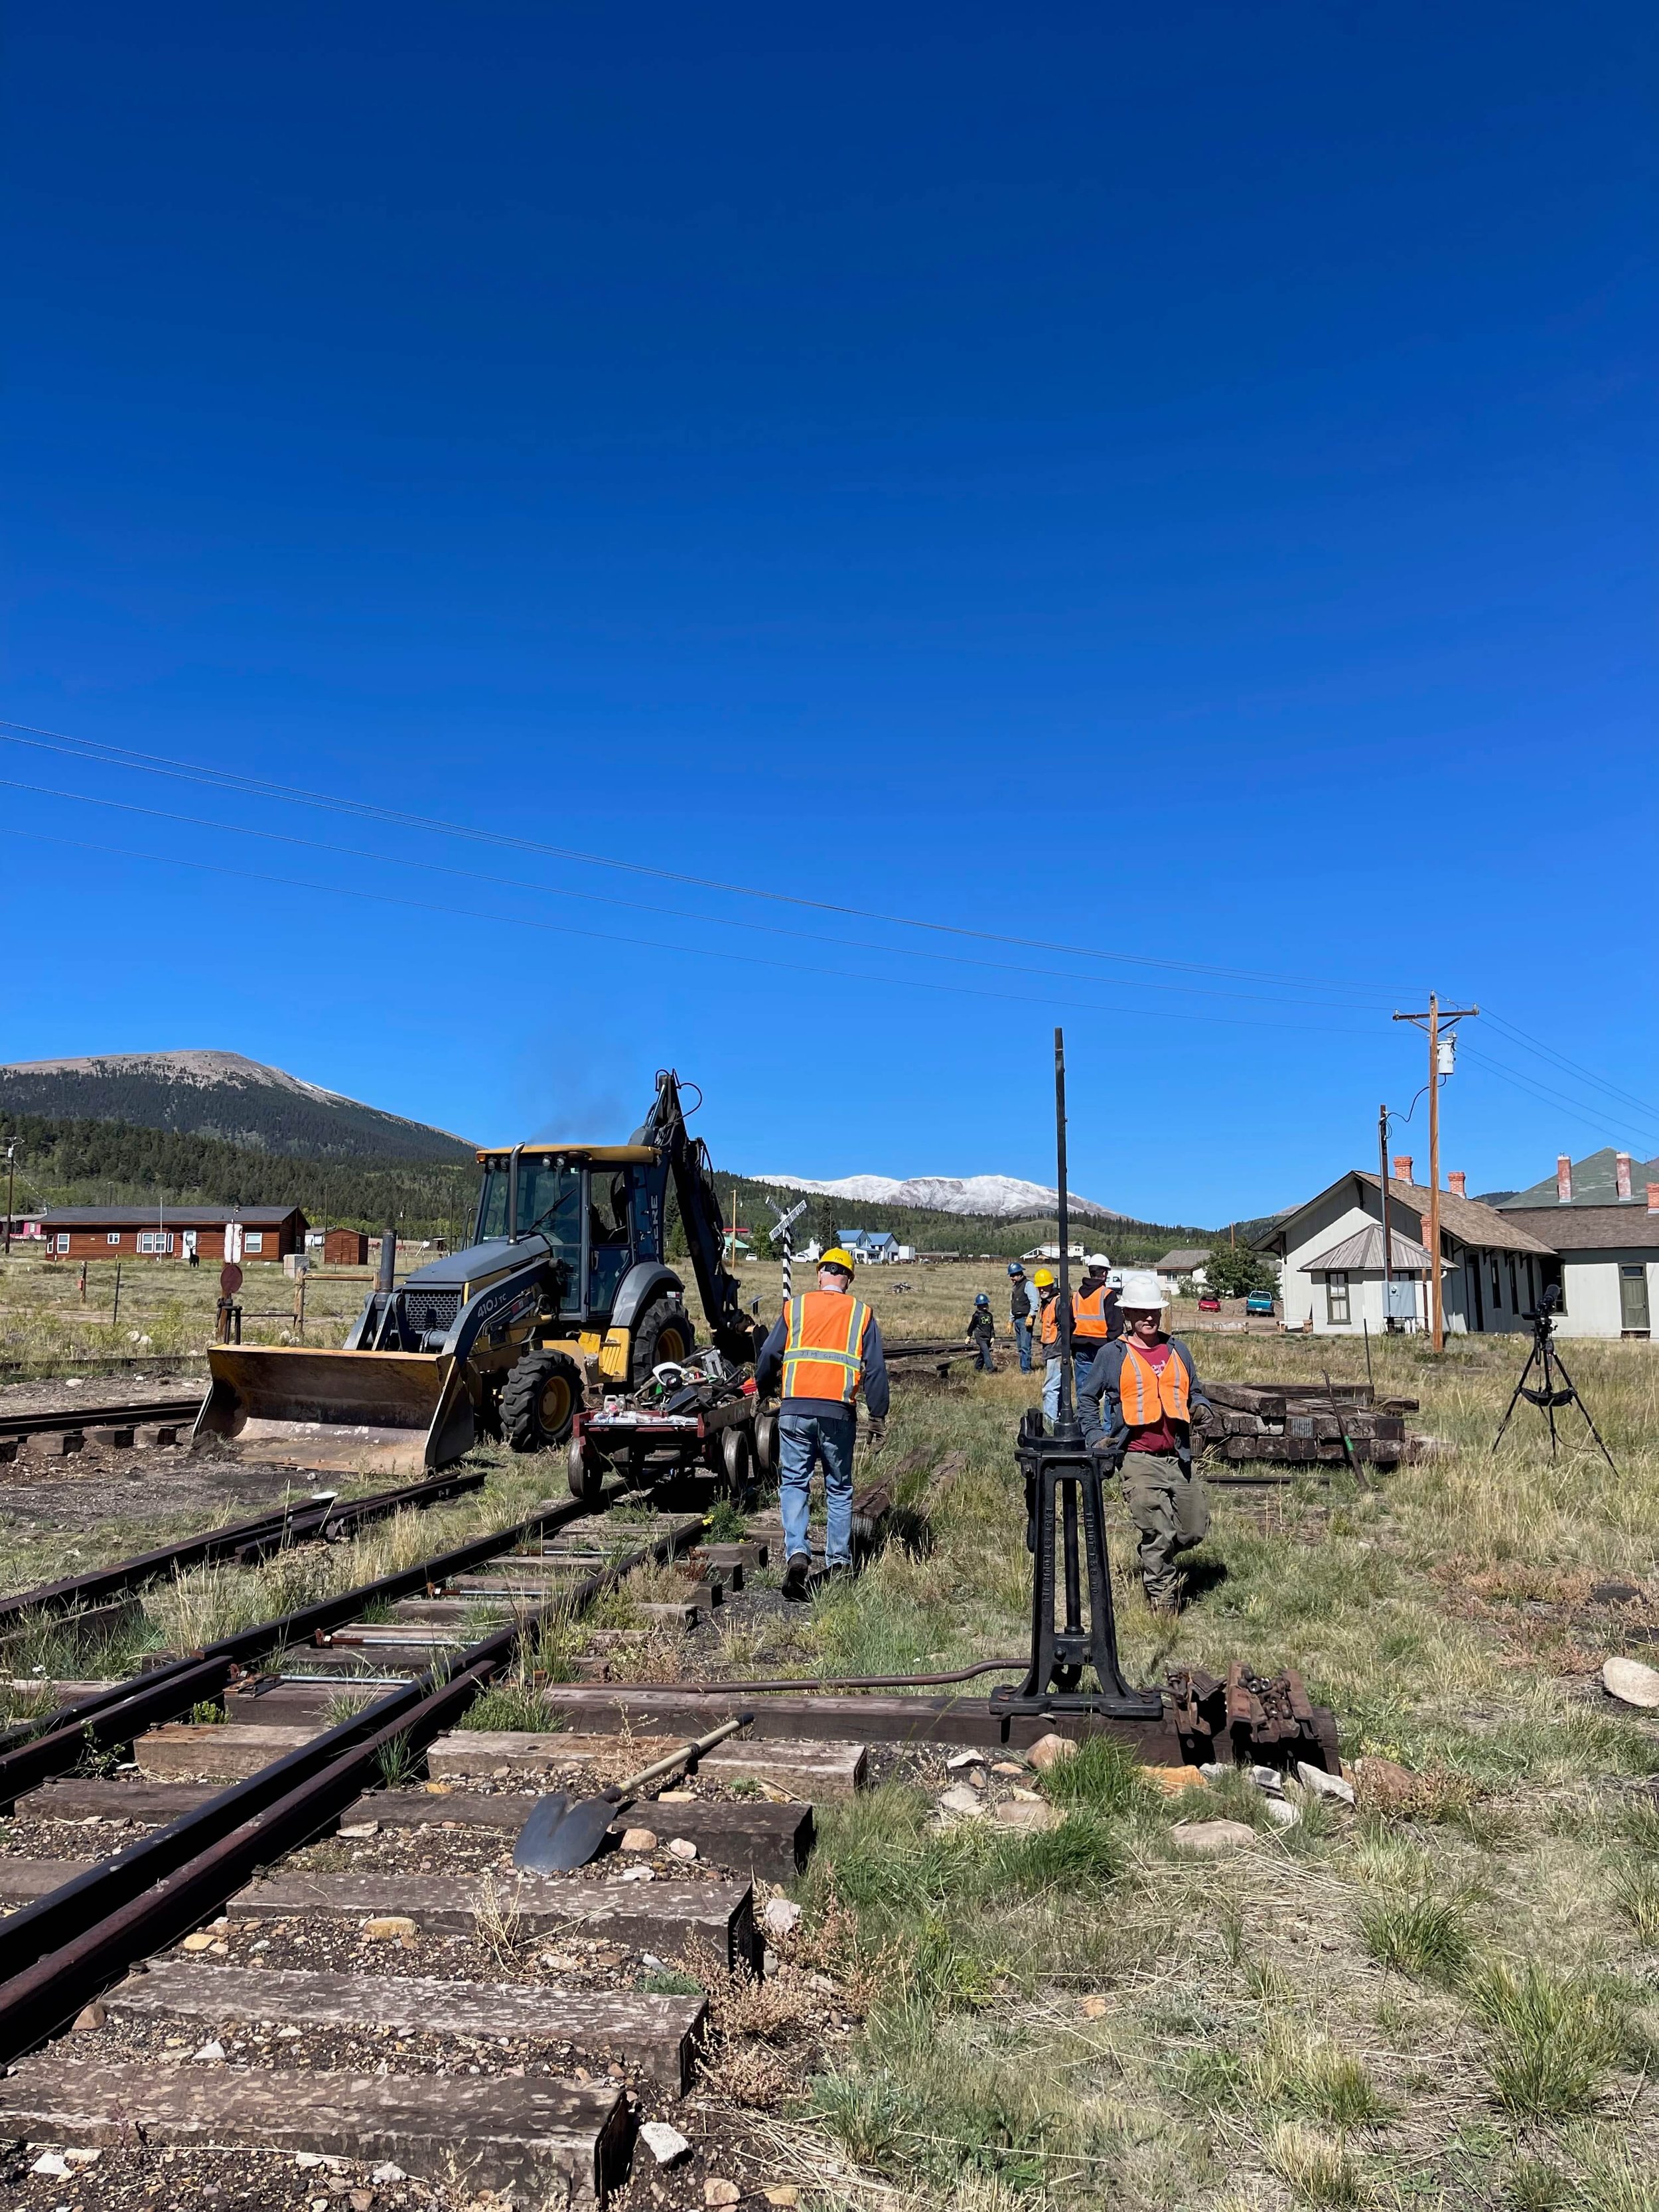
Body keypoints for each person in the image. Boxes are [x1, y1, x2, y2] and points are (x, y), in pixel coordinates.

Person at [754, 1246, 890, 1600]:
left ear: (820, 1274)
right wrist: (878, 1413)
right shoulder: (862, 1313)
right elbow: (875, 1369)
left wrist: (765, 1387)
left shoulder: (795, 1307)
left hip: (795, 1410)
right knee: (839, 1488)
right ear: (848, 1279)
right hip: (837, 1413)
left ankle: (798, 1556)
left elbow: (769, 1353)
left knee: (795, 1483)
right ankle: (838, 1564)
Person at [1079, 1269, 1211, 1615]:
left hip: (1178, 1457)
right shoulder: (1113, 1354)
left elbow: (1195, 1390)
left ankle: (1159, 1557)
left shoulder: (1178, 1349)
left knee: (1194, 1529)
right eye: (1141, 1312)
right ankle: (1163, 1601)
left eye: (1154, 1311)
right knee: (1158, 1531)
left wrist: (1201, 1407)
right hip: (1137, 1457)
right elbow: (1088, 1399)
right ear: (1127, 1315)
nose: (1149, 1317)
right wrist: (1097, 1438)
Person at [1071, 1253, 1122, 1370]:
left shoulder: (1076, 1296)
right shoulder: (1108, 1295)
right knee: (1105, 1385)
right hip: (1103, 1346)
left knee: (1085, 1387)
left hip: (1080, 1347)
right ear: (1104, 1273)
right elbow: (1116, 1326)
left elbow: (1070, 1324)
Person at [1031, 1266, 1062, 1419]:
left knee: (1049, 1389)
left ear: (1052, 1285)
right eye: (1040, 1287)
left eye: (1045, 1286)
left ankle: (1051, 1421)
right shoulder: (1046, 1303)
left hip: (1057, 1352)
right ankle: (1060, 1417)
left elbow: (1066, 1328)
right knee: (1057, 1387)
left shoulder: (1057, 1302)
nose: (1042, 1289)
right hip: (1051, 1350)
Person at [1007, 1263, 1037, 1372]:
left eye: (1013, 1275)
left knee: (1025, 1347)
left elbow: (1034, 1303)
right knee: (1020, 1347)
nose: (1012, 1278)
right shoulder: (1015, 1288)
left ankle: (1026, 1370)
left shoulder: (1028, 1285)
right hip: (1017, 1319)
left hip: (1025, 1319)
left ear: (1020, 1274)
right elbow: (1014, 1305)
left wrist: (1031, 1315)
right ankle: (1023, 1368)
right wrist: (1011, 1321)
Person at [967, 1291, 996, 1371]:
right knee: (986, 1352)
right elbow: (971, 1326)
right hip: (980, 1337)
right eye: (982, 1305)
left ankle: (977, 1368)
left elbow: (992, 1327)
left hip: (988, 1337)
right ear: (978, 1306)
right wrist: (969, 1336)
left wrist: (993, 1337)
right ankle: (990, 1368)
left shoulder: (990, 1315)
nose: (984, 1307)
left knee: (983, 1353)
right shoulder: (976, 1316)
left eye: (985, 1304)